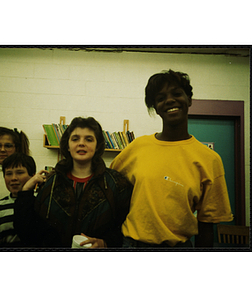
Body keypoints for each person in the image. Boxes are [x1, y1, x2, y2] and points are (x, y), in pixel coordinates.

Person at [110, 69, 233, 248]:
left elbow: (207, 225)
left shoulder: (209, 159)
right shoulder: (137, 147)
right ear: (156, 108)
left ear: (189, 100)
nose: (169, 100)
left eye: (176, 93)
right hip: (132, 246)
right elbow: (108, 186)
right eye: (160, 98)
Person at [14, 117, 133, 248]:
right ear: (67, 145)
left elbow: (126, 228)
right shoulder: (51, 183)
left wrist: (105, 243)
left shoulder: (116, 183)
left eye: (89, 139)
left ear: (98, 145)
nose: (81, 143)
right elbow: (28, 232)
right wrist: (25, 193)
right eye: (75, 139)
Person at [0, 153, 36, 248]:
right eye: (9, 174)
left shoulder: (39, 203)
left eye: (20, 172)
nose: (13, 178)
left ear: (33, 177)